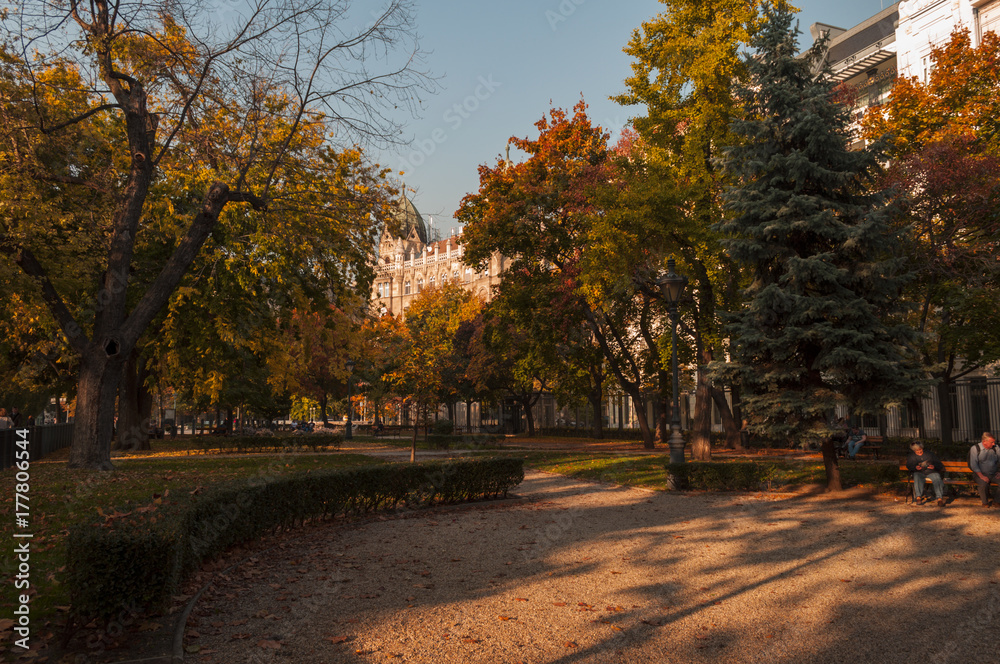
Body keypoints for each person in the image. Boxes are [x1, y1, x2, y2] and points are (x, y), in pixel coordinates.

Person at [906, 441, 946, 506]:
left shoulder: (930, 454)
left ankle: (939, 499)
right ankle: (918, 497)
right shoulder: (911, 456)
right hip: (919, 472)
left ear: (922, 448)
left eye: (920, 449)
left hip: (931, 472)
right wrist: (915, 467)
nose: (919, 451)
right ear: (914, 450)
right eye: (917, 451)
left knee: (937, 478)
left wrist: (934, 466)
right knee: (917, 476)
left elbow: (939, 464)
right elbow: (909, 466)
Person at [968, 432, 1000, 508]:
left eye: (994, 442)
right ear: (984, 441)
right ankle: (985, 502)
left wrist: (999, 471)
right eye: (991, 442)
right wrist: (981, 476)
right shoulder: (975, 449)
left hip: (994, 473)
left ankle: (997, 501)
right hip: (980, 474)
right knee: (983, 483)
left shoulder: (996, 448)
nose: (993, 444)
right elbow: (973, 464)